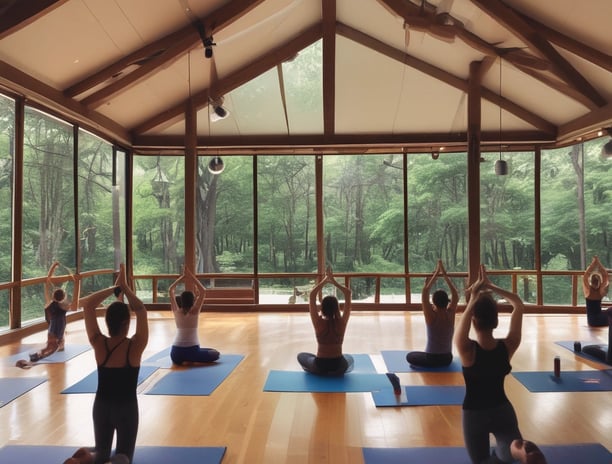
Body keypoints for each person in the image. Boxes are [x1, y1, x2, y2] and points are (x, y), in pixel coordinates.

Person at [455, 264, 541, 464]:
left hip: (474, 414)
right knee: (507, 453)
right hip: (502, 410)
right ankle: (518, 450)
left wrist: (474, 297)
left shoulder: (467, 350)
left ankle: (514, 452)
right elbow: (518, 305)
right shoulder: (508, 346)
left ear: (474, 320)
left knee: (482, 460)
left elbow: (462, 324)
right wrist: (492, 287)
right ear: (496, 320)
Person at [64, 264, 148, 464]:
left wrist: (114, 289)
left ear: (107, 322)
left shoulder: (98, 343)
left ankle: (84, 460)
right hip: (126, 408)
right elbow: (142, 310)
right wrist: (125, 288)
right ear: (127, 324)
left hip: (101, 406)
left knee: (101, 452)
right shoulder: (134, 348)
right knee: (123, 456)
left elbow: (88, 306)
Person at [17, 262, 79, 367]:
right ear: (63, 297)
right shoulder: (63, 306)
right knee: (53, 348)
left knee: (49, 347)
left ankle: (35, 356)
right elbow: (75, 305)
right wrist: (77, 282)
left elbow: (47, 280)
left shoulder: (49, 303)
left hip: (52, 329)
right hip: (58, 329)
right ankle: (36, 358)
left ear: (53, 296)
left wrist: (53, 266)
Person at [297, 266, 353, 376]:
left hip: (320, 366)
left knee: (301, 356)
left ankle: (318, 371)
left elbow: (312, 295)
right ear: (337, 307)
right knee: (350, 358)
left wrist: (325, 280)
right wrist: (333, 281)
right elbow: (348, 293)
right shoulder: (342, 322)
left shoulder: (318, 322)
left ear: (322, 308)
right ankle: (333, 372)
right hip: (339, 366)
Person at [406, 259, 458, 368]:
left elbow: (425, 293)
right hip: (448, 358)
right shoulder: (450, 314)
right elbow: (455, 294)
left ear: (433, 302)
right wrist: (443, 273)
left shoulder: (431, 317)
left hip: (432, 358)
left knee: (410, 356)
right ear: (447, 301)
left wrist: (434, 275)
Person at [169, 267, 220, 365]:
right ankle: (190, 358)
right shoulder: (195, 311)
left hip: (175, 354)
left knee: (206, 350)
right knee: (215, 353)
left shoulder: (176, 311)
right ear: (193, 300)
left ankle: (188, 358)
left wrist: (182, 277)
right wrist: (190, 276)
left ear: (181, 300)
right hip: (192, 351)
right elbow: (203, 291)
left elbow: (171, 290)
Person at [582, 256, 610, 327]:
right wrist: (597, 262)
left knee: (610, 310)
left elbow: (586, 276)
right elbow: (605, 276)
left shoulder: (588, 291)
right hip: (595, 320)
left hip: (593, 320)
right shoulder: (600, 290)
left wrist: (594, 263)